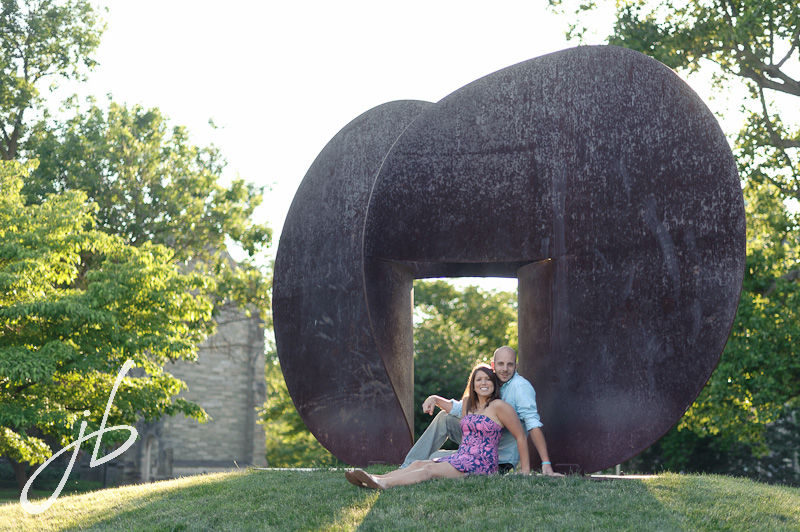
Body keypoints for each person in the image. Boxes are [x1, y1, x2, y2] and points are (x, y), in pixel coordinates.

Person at [345, 363, 530, 489]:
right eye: (479, 379)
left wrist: (525, 471)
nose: (483, 383)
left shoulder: (500, 407)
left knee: (428, 470)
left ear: (494, 384)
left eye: (488, 379)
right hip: (462, 456)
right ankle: (373, 478)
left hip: (480, 464)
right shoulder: (467, 404)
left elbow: (520, 436)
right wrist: (433, 398)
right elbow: (449, 407)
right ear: (473, 385)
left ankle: (383, 484)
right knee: (418, 463)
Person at [401, 346, 562, 477]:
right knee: (444, 419)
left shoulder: (520, 387)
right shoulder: (491, 384)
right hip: (475, 449)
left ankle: (416, 465)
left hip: (497, 458)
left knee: (430, 461)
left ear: (515, 366)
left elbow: (532, 424)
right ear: (493, 365)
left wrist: (545, 464)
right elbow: (461, 409)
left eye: (510, 365)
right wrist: (435, 398)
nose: (505, 369)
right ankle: (407, 466)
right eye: (500, 364)